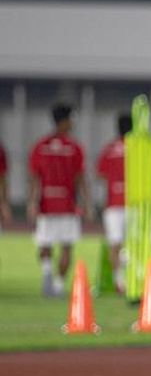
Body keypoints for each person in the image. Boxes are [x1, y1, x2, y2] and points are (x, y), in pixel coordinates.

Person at [27, 104, 90, 298]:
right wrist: (86, 202)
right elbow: (79, 178)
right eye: (71, 119)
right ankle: (58, 284)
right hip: (67, 205)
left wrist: (31, 202)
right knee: (66, 246)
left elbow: (34, 177)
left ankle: (47, 272)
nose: (73, 123)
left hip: (46, 203)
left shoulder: (41, 146)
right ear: (64, 121)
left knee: (44, 243)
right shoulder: (74, 147)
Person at [96, 114, 132, 293]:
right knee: (134, 242)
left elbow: (100, 174)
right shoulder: (137, 148)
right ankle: (133, 276)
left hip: (113, 202)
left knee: (114, 243)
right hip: (134, 203)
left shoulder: (109, 149)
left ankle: (119, 281)